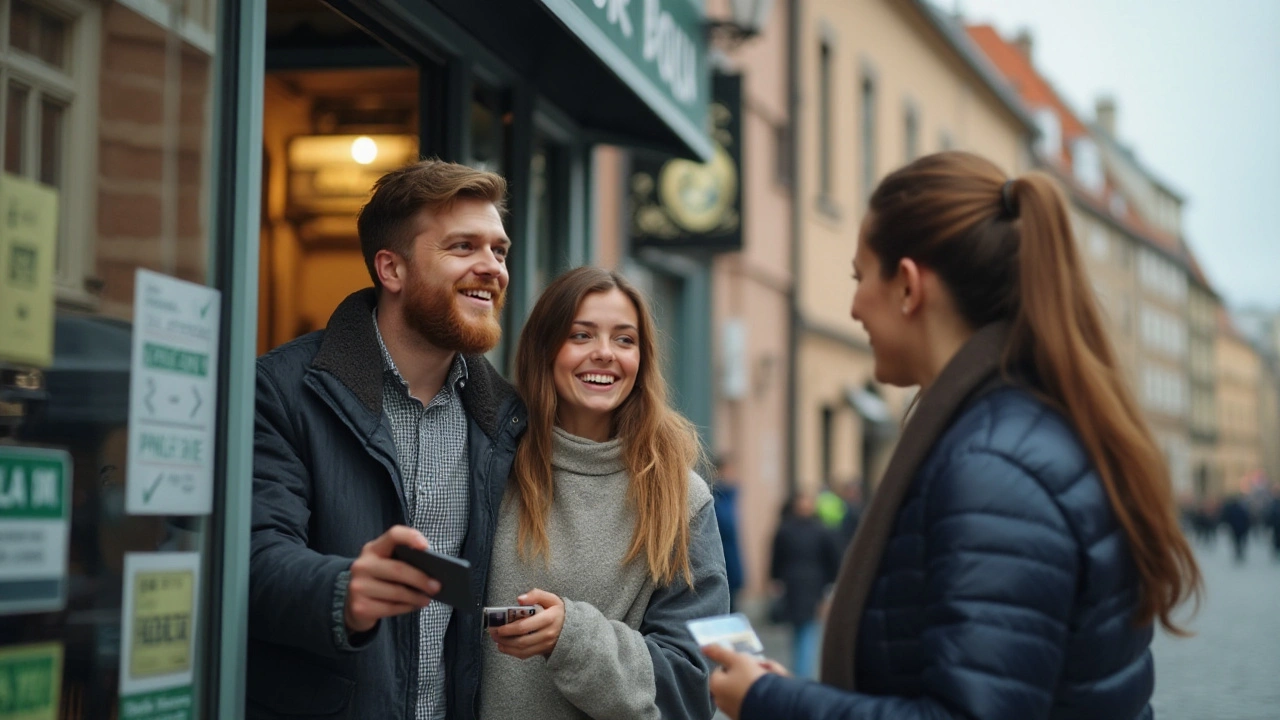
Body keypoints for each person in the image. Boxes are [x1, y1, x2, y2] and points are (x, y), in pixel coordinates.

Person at [704, 151, 1202, 720]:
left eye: (860, 276)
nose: (854, 306)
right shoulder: (1020, 429)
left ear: (909, 286)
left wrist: (770, 702)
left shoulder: (993, 466)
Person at [248, 160, 526, 720]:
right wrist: (343, 590)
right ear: (391, 269)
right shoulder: (280, 390)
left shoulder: (509, 418)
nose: (491, 267)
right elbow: (250, 557)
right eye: (463, 247)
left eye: (499, 250)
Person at [478, 266, 730, 719]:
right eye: (581, 336)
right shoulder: (489, 466)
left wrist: (572, 638)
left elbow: (694, 680)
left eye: (624, 340)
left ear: (642, 359)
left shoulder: (680, 498)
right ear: (544, 349)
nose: (604, 354)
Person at [768, 491, 843, 680]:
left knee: (803, 630)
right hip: (805, 586)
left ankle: (800, 673)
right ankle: (802, 674)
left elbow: (776, 561)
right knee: (805, 630)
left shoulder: (788, 529)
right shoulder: (818, 530)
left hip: (802, 586)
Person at [712, 454, 746, 612]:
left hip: (731, 564)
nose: (733, 475)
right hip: (720, 563)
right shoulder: (716, 498)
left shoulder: (730, 497)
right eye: (729, 471)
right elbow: (724, 529)